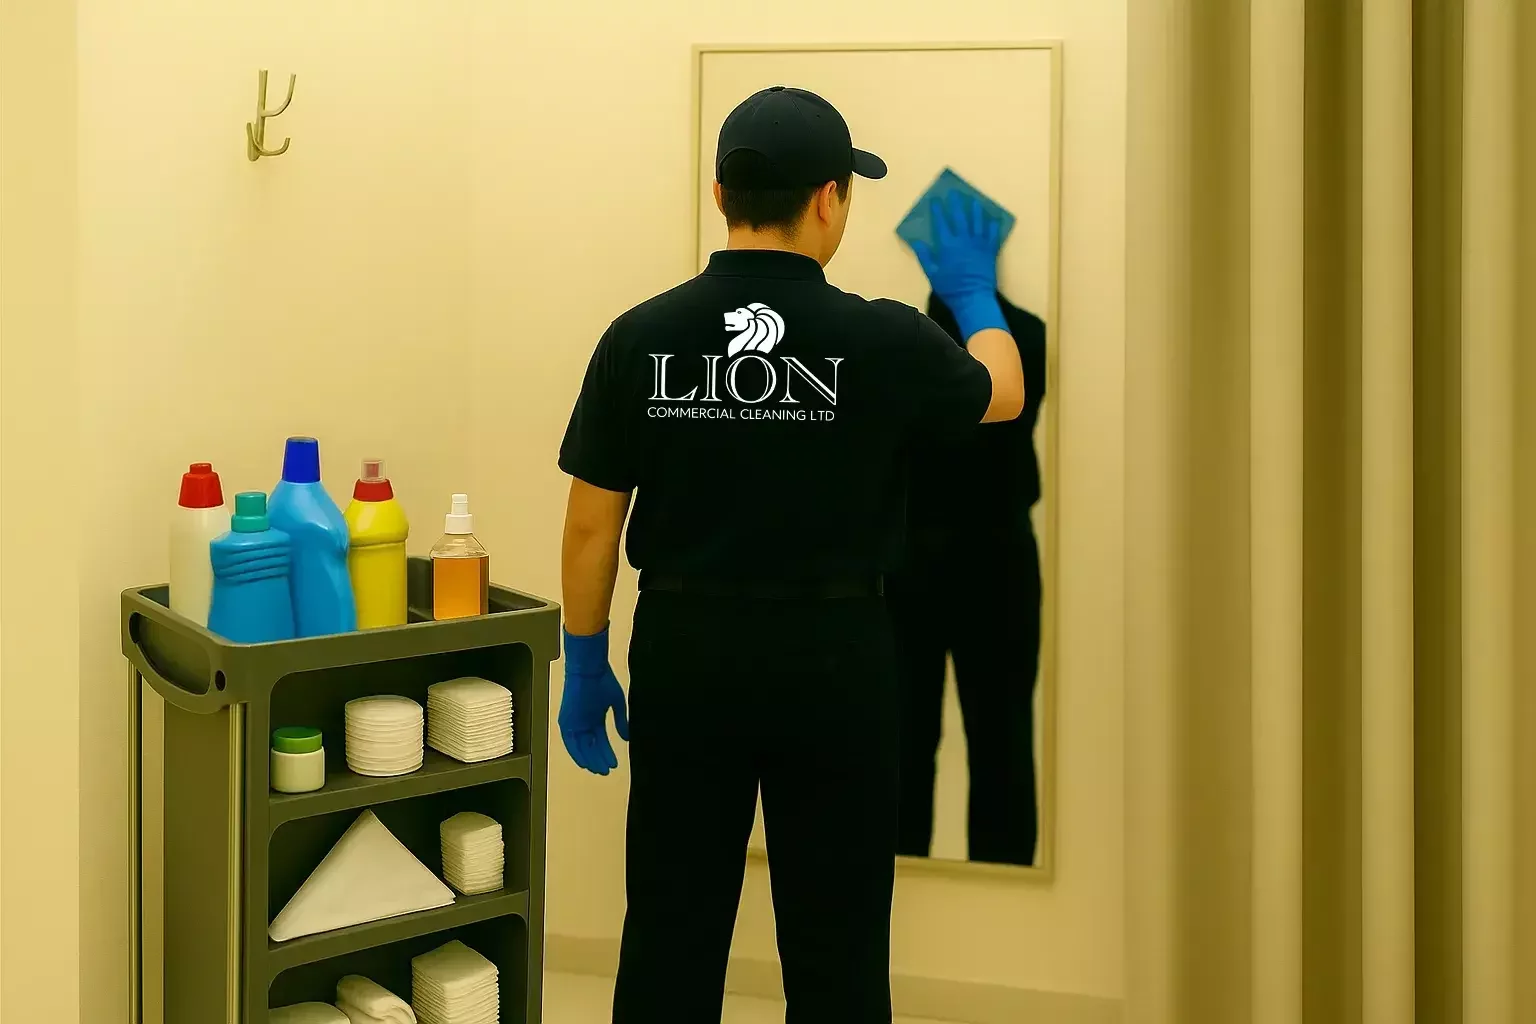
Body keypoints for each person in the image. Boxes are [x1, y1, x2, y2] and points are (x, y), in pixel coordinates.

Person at [555, 85, 1025, 1023]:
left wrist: (585, 657)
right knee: (838, 935)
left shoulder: (641, 336)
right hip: (837, 657)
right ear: (829, 198)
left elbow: (590, 526)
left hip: (688, 651)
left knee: (672, 927)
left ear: (720, 194)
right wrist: (974, 297)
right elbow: (1001, 395)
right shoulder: (883, 335)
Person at [889, 287, 1047, 867]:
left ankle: (916, 881)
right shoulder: (1022, 335)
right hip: (972, 559)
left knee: (976, 736)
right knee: (972, 737)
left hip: (945, 559)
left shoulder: (908, 341)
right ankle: (927, 876)